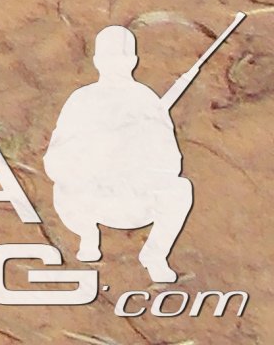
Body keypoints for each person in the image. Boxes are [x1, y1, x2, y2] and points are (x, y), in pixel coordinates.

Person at [45, 24, 202, 284]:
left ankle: (155, 255)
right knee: (63, 186)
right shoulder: (81, 100)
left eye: (119, 58)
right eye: (110, 58)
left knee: (179, 189)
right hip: (90, 199)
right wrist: (91, 160)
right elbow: (55, 158)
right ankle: (87, 235)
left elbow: (171, 163)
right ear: (97, 61)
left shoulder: (146, 101)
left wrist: (135, 160)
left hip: (136, 200)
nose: (115, 64)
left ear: (133, 61)